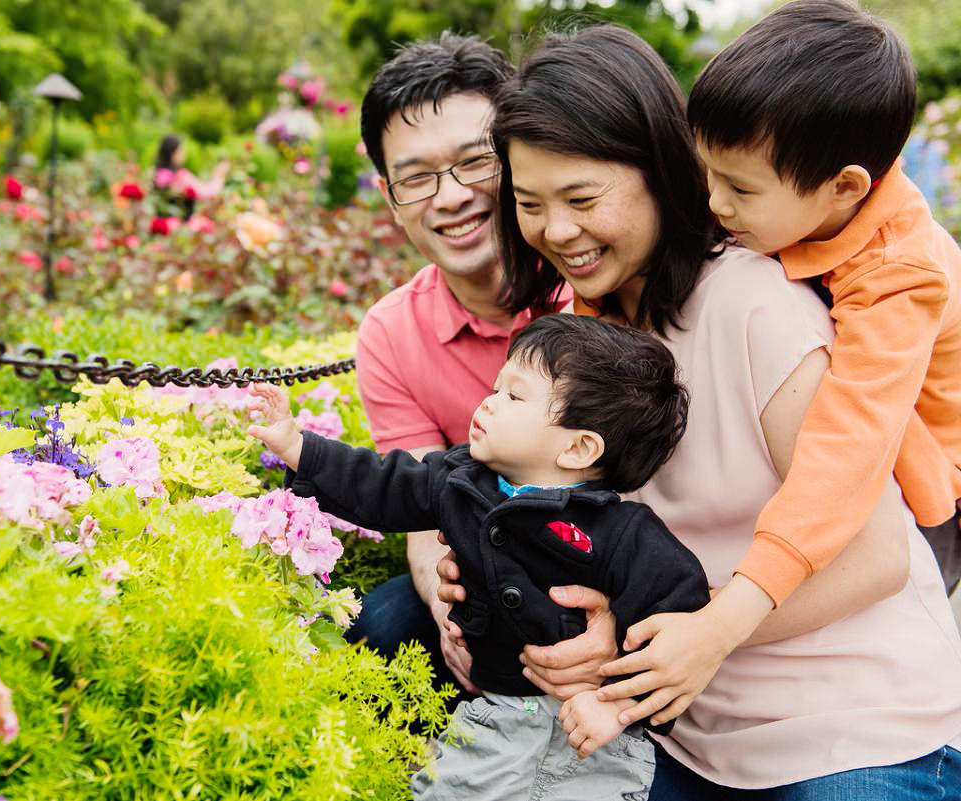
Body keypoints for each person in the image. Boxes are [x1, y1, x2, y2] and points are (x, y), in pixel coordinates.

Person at [436, 23, 961, 797]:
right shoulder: (582, 334)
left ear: (658, 170)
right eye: (530, 203)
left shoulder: (754, 301)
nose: (556, 231)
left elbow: (878, 555)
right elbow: (618, 542)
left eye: (583, 198)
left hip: (856, 727)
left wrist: (699, 630)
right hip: (691, 735)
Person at [246, 313, 709, 801]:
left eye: (513, 396)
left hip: (588, 730)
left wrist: (618, 705)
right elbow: (384, 484)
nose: (487, 403)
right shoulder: (462, 481)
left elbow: (677, 613)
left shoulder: (619, 531)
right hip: (498, 710)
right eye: (495, 388)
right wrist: (297, 448)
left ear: (577, 447)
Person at [685, 0, 961, 601]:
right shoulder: (797, 198)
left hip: (925, 489)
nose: (715, 203)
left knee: (891, 614)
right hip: (860, 457)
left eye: (739, 188)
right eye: (709, 173)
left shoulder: (900, 275)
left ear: (845, 187)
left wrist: (756, 583)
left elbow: (850, 445)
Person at [349, 33, 581, 699]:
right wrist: (445, 604)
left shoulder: (587, 276)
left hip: (620, 551)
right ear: (392, 200)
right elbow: (423, 512)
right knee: (388, 619)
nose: (450, 197)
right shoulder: (392, 334)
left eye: (475, 163)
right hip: (495, 571)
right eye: (417, 177)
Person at [153, 134, 230, 219]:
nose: (184, 153)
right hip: (182, 226)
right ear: (173, 153)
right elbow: (206, 192)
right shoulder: (179, 176)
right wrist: (219, 176)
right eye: (181, 150)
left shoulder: (158, 174)